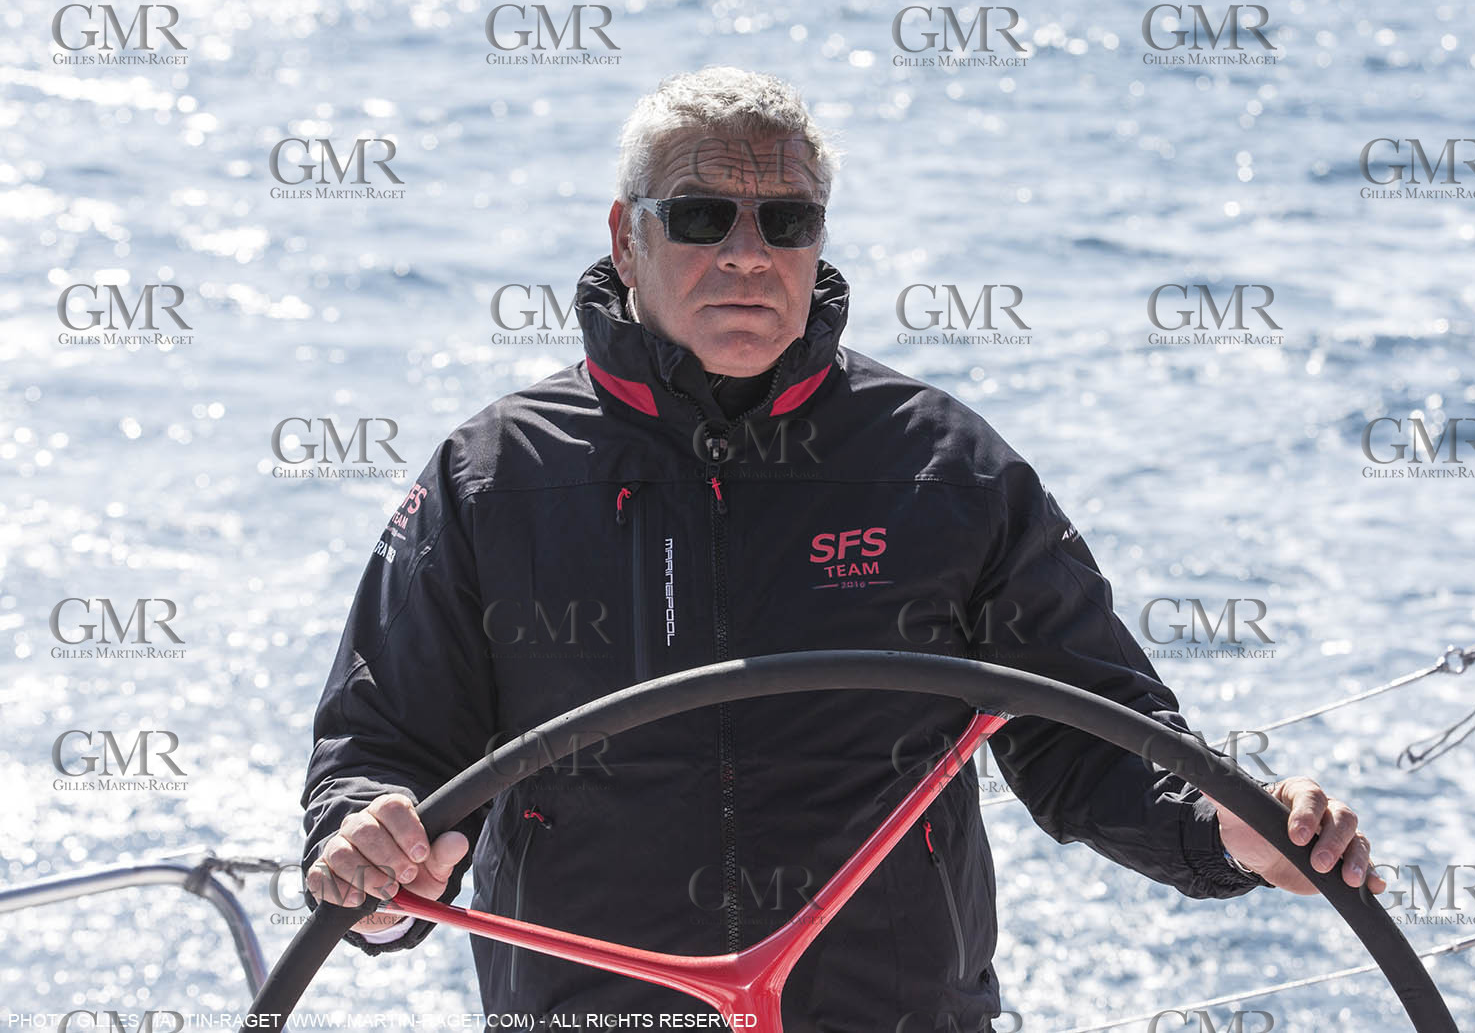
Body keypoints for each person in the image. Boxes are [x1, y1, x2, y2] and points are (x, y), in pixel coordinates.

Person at [301, 66, 1385, 1030]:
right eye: (701, 214)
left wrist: (1227, 830)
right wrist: (378, 843)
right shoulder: (495, 477)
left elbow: (1088, 736)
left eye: (786, 219)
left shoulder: (941, 465)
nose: (746, 252)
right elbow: (385, 747)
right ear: (625, 235)